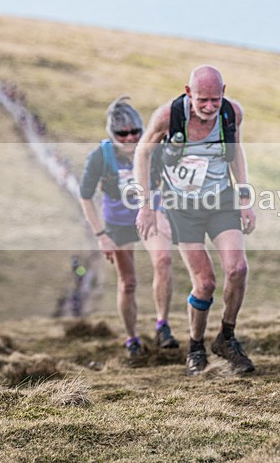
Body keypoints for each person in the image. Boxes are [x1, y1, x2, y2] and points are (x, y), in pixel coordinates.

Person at [135, 65, 257, 377]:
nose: (210, 106)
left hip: (221, 200)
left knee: (238, 269)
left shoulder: (232, 114)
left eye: (215, 99)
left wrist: (244, 198)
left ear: (223, 93)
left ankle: (226, 337)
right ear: (189, 93)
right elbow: (142, 154)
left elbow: (236, 151)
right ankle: (195, 346)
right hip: (181, 206)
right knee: (205, 283)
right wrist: (145, 204)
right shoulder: (168, 116)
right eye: (202, 99)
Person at [79, 95, 179, 364]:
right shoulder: (100, 157)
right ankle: (132, 339)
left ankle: (162, 325)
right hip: (118, 223)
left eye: (135, 131)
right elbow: (85, 196)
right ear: (112, 134)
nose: (131, 138)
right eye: (122, 134)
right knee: (128, 282)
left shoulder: (153, 149)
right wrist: (101, 235)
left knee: (163, 260)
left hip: (151, 214)